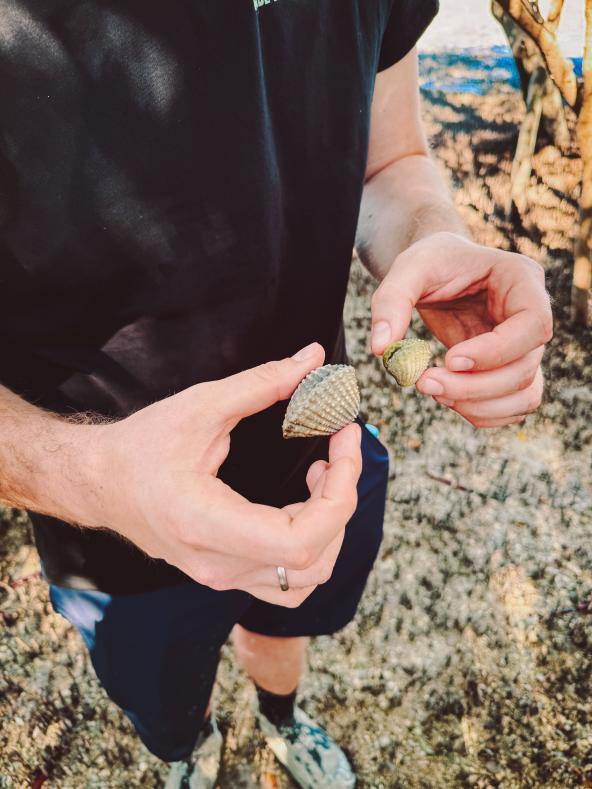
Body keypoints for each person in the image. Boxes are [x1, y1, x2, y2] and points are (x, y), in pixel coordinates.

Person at [0, 1, 553, 786]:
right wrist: (92, 478)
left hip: (317, 467)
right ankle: (189, 752)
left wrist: (434, 237)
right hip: (104, 518)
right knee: (164, 695)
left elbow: (388, 162)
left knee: (286, 619)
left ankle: (280, 717)